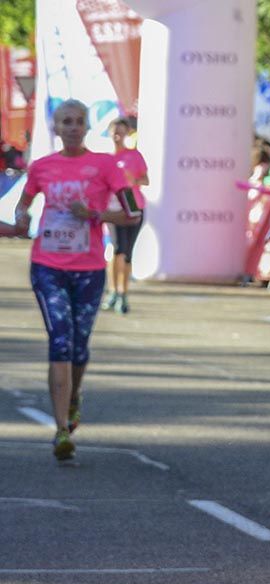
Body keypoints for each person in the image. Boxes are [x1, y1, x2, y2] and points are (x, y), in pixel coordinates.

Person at [5, 99, 139, 462]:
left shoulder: (105, 165)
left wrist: (94, 213)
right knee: (60, 339)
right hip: (47, 265)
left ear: (85, 128)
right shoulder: (41, 167)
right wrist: (19, 219)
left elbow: (133, 212)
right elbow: (24, 202)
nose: (73, 127)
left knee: (79, 347)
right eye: (66, 121)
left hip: (90, 269)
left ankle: (75, 396)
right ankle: (61, 428)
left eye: (79, 121)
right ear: (56, 127)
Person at [101, 117, 148, 314]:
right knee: (117, 248)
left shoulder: (134, 156)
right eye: (115, 131)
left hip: (133, 204)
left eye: (121, 131)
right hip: (113, 208)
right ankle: (113, 290)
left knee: (127, 251)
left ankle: (123, 293)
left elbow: (145, 179)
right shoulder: (105, 159)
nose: (117, 135)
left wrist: (132, 179)